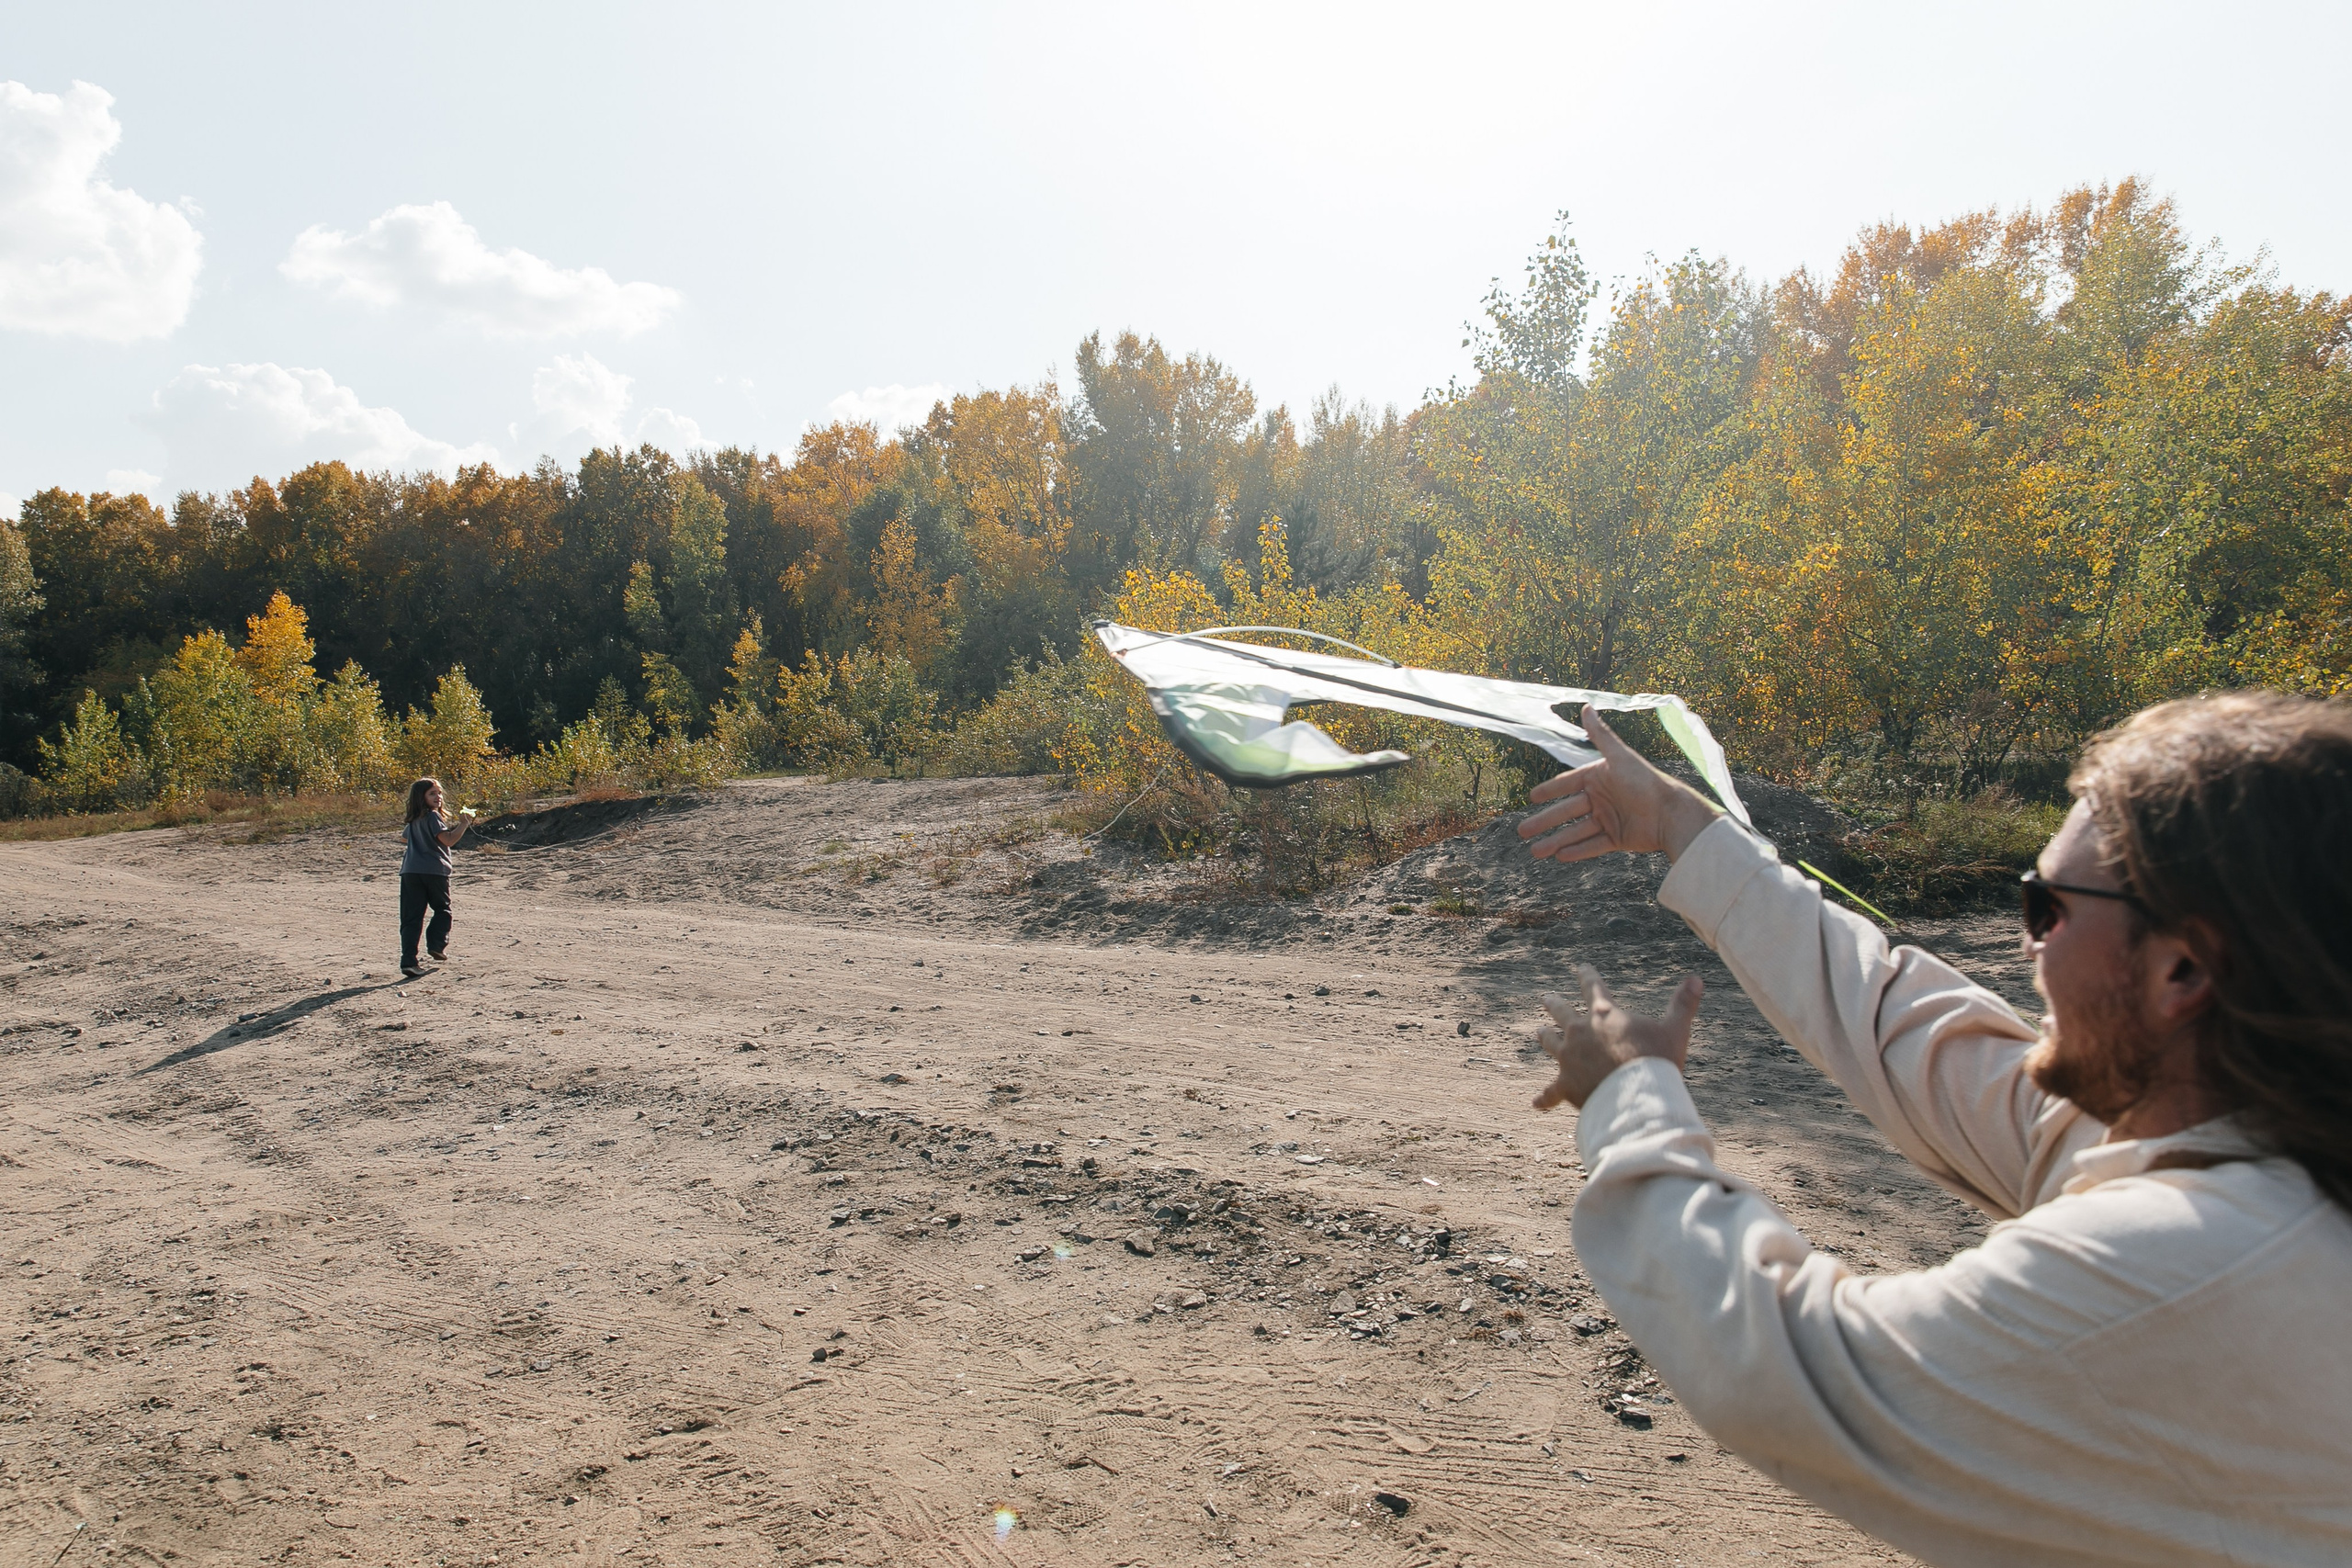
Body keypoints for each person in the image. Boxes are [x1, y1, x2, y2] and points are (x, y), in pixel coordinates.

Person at [1513, 691, 2352, 1566]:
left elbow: (1786, 1370)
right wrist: (1688, 827)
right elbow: (1903, 1026)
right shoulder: (2251, 1146)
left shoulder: (2193, 1260)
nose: (2027, 947)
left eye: (2047, 909)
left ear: (2183, 967)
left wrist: (1630, 1095)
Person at [400, 775, 474, 979]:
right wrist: (464, 824)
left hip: (410, 872)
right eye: (432, 793)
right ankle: (436, 945)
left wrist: (419, 840)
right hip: (433, 871)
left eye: (439, 793)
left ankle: (409, 961)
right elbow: (448, 840)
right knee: (442, 910)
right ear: (420, 797)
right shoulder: (433, 816)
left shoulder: (414, 819)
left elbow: (403, 837)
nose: (438, 797)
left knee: (411, 918)